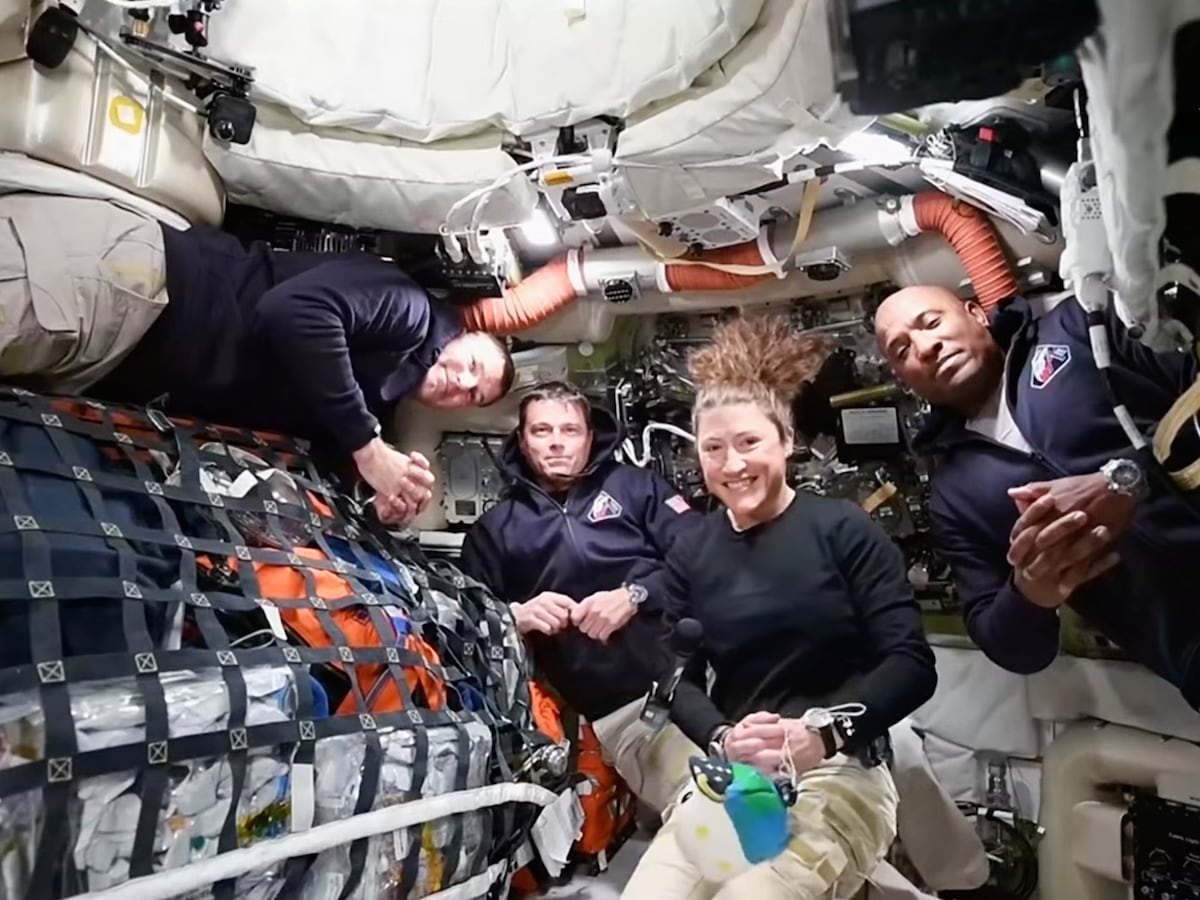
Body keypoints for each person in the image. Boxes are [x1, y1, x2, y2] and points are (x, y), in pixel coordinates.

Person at [622, 316, 938, 899]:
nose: (732, 464)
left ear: (786, 443)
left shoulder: (843, 530)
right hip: (737, 777)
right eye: (713, 448)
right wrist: (721, 737)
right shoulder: (692, 550)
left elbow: (912, 664)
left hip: (840, 769)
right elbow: (677, 677)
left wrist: (823, 734)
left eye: (749, 443)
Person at [0, 192, 514, 524]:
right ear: (460, 336)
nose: (463, 384)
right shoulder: (409, 310)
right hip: (129, 288)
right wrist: (368, 448)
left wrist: (377, 503)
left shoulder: (373, 401)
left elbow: (321, 467)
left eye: (474, 395)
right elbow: (294, 312)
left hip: (118, 360)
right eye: (473, 366)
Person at [874, 284, 1200, 708]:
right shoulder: (953, 496)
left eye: (932, 322)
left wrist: (1130, 479)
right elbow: (1013, 650)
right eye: (901, 351)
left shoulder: (1080, 327)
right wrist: (1030, 592)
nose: (926, 346)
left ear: (976, 314)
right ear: (903, 378)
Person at [460, 381, 703, 813]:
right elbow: (464, 630)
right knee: (708, 806)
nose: (556, 443)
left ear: (590, 437)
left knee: (779, 795)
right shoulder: (495, 530)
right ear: (522, 439)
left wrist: (636, 595)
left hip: (701, 676)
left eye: (569, 430)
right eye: (542, 431)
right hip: (624, 711)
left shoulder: (637, 489)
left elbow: (706, 559)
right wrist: (513, 617)